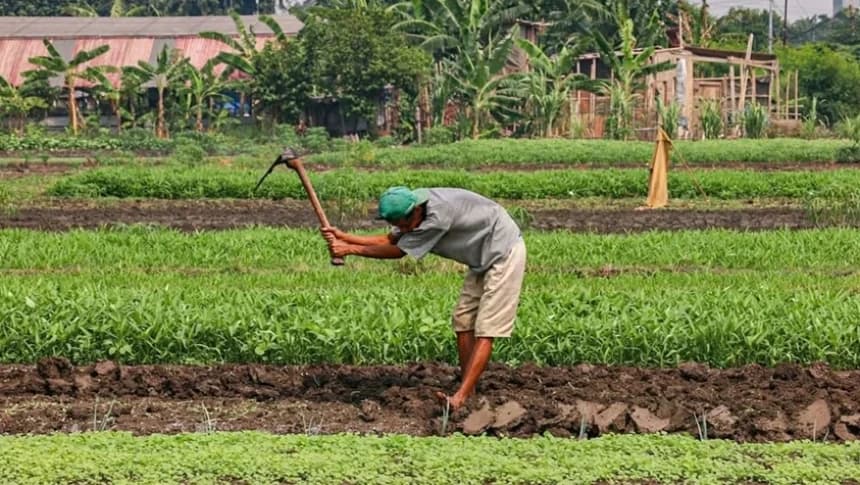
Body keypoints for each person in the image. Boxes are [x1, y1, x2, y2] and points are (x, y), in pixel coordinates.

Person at [322, 186, 526, 410]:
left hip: (503, 251)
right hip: (480, 257)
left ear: (416, 211)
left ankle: (460, 397)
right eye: (400, 225)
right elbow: (390, 239)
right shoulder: (410, 204)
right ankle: (471, 393)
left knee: (487, 328)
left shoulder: (436, 218)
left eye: (406, 224)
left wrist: (350, 250)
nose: (405, 229)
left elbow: (398, 251)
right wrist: (345, 238)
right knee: (463, 321)